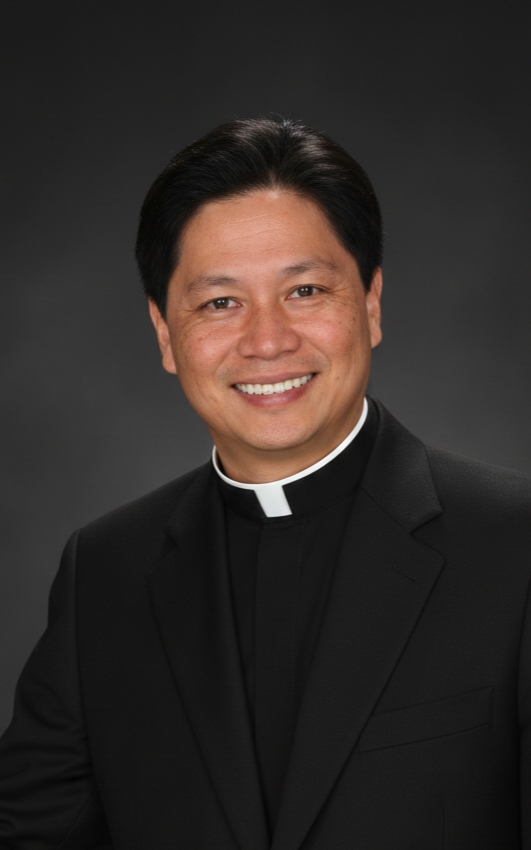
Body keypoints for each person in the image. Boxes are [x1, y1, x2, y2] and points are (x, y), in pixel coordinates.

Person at [0, 117, 530, 850]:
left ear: (371, 303)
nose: (267, 341)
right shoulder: (105, 573)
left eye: (305, 290)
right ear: (164, 334)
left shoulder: (514, 547)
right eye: (220, 302)